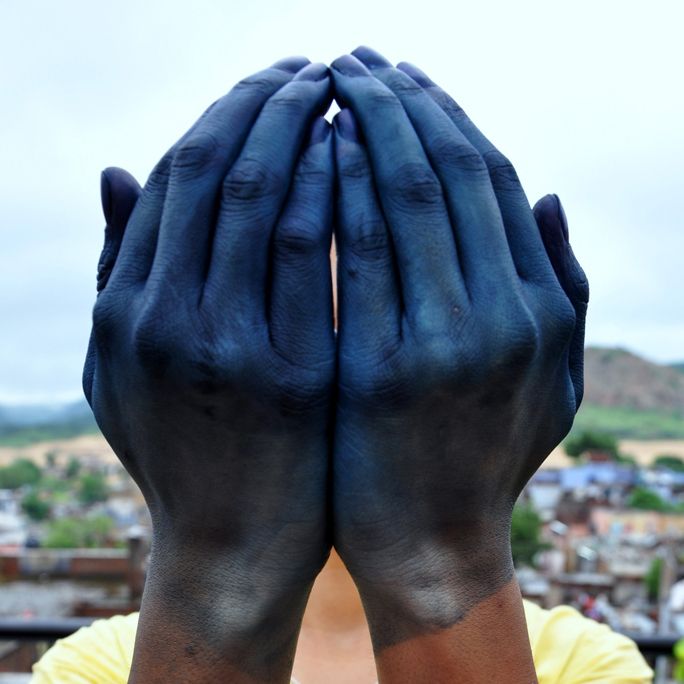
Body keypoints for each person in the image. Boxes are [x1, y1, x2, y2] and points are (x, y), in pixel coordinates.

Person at [32, 47, 652, 683]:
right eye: (286, 291)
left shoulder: (590, 663)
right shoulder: (90, 668)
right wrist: (223, 564)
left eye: (380, 291)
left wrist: (439, 555)